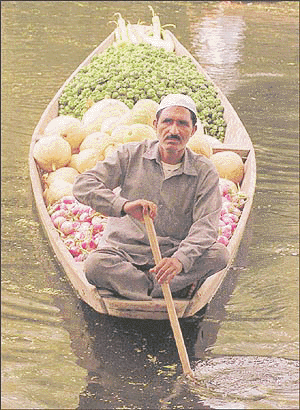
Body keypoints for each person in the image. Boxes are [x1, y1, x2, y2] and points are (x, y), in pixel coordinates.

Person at [73, 94, 230, 300]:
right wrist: (124, 205)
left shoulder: (204, 170)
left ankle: (136, 288)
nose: (173, 130)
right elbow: (83, 185)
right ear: (155, 124)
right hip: (124, 252)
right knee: (95, 265)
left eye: (182, 124)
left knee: (219, 255)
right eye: (167, 122)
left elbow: (206, 226)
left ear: (192, 131)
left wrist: (179, 260)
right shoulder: (130, 154)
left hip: (171, 254)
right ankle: (166, 288)